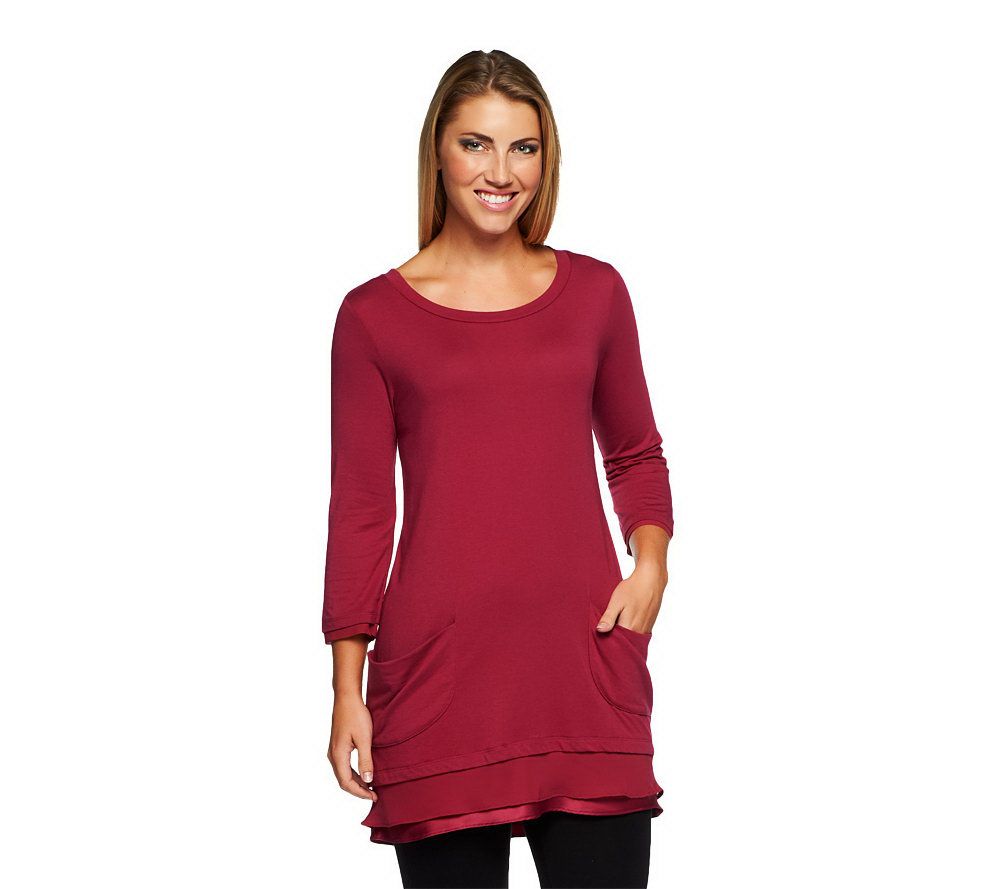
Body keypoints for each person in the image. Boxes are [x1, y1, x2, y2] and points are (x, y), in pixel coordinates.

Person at [323, 49, 674, 889]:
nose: (500, 172)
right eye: (475, 143)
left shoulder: (596, 294)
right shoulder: (372, 317)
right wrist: (346, 688)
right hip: (439, 683)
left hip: (582, 671)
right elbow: (362, 509)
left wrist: (651, 563)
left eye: (524, 147)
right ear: (438, 152)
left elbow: (634, 450)